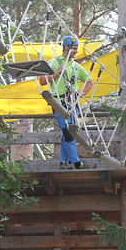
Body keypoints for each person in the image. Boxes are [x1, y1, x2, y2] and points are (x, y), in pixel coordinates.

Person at [39, 35, 94, 169]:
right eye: (74, 48)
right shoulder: (54, 63)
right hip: (59, 102)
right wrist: (56, 73)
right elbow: (41, 81)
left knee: (68, 131)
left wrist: (81, 94)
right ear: (66, 47)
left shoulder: (76, 66)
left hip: (73, 103)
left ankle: (63, 161)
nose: (76, 51)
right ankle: (75, 161)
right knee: (69, 131)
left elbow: (89, 81)